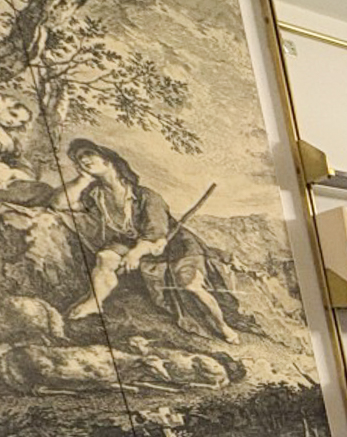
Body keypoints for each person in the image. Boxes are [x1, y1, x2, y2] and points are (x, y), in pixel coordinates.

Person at [59, 138, 238, 342]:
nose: (83, 161)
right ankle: (95, 302)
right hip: (131, 240)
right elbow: (59, 204)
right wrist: (82, 180)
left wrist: (135, 254)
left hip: (175, 244)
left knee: (190, 285)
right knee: (105, 257)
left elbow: (156, 233)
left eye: (88, 155)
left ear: (108, 160)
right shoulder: (96, 194)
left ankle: (222, 326)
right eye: (79, 159)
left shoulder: (146, 196)